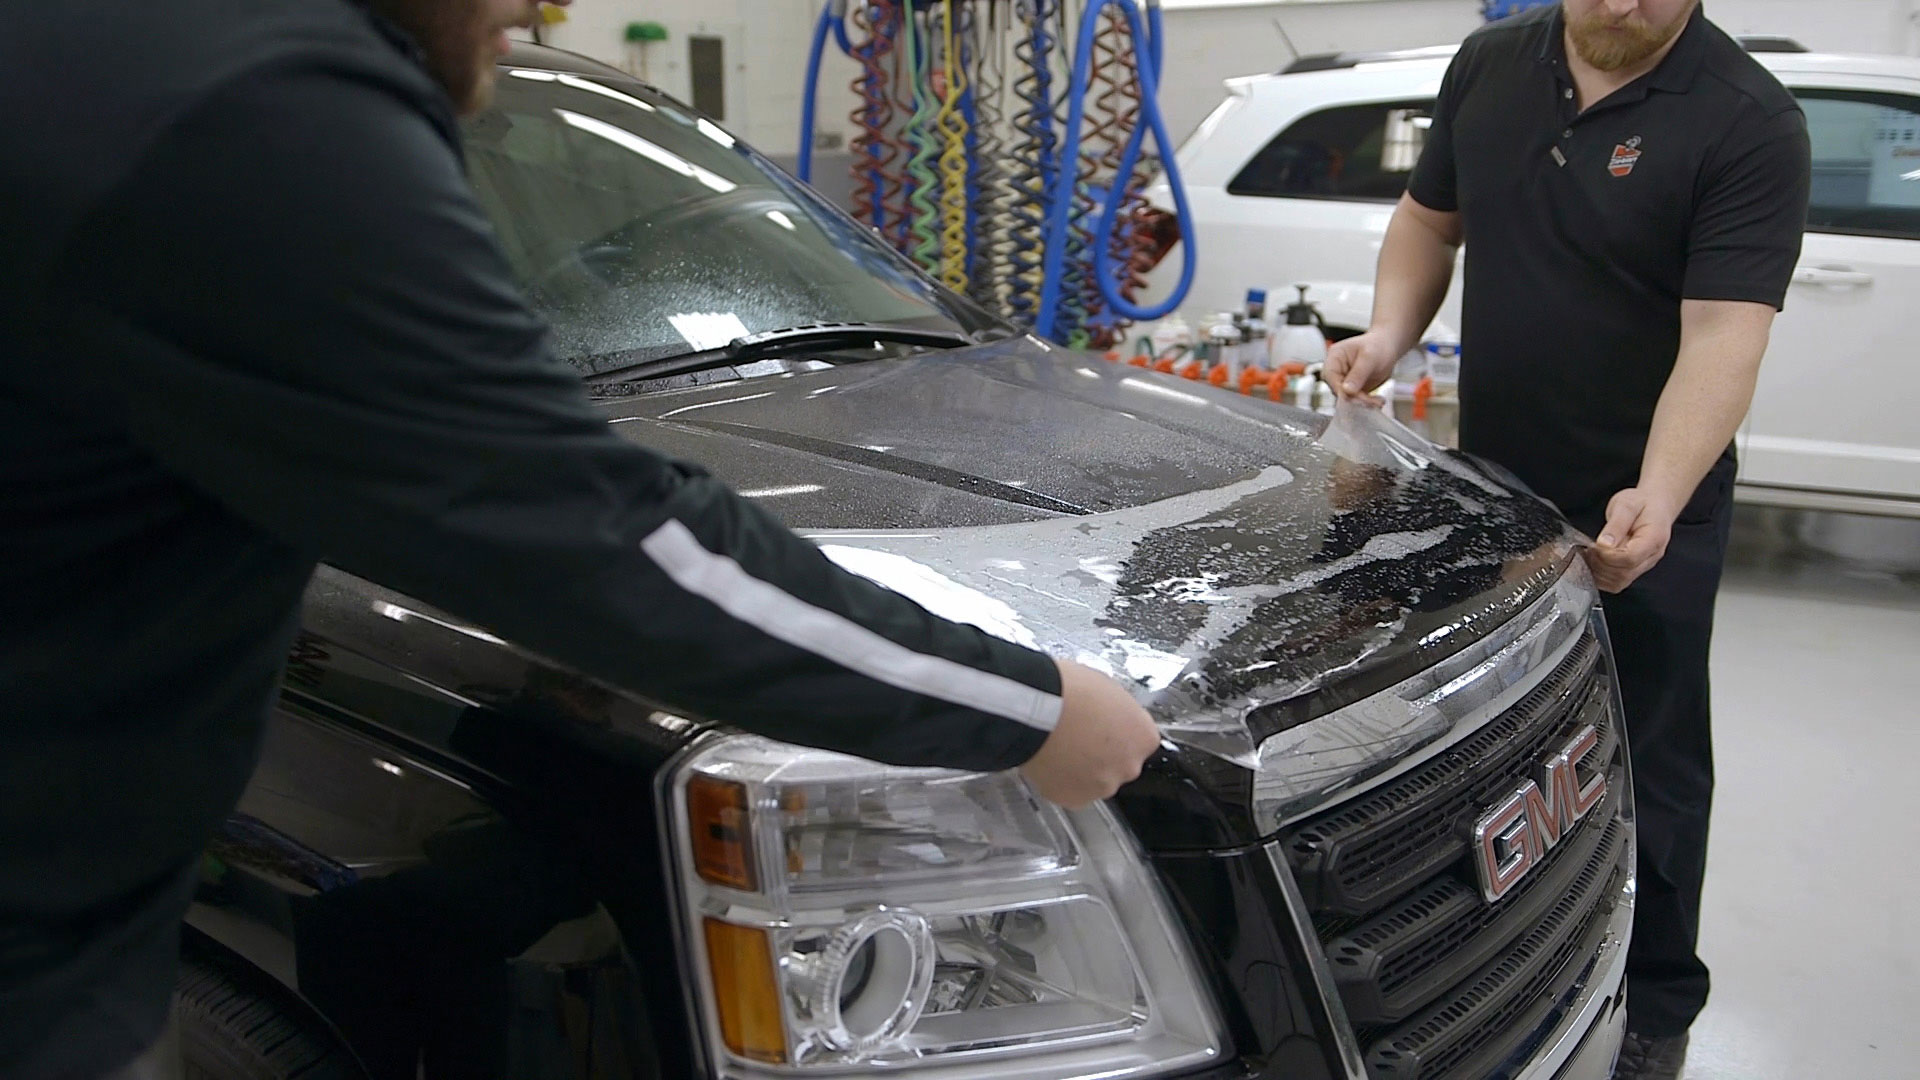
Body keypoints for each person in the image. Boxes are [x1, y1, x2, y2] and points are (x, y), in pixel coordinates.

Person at [0, 1, 1163, 1077]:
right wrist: (1026, 708)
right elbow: (584, 524)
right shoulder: (257, 98)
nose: (531, 3)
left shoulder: (124, 54)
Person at [1325, 2, 1809, 1076]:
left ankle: (1655, 1005)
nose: (1624, 6)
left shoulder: (1746, 119)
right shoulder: (1492, 63)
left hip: (1648, 498)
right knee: (1486, 739)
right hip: (1493, 486)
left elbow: (1726, 332)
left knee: (1651, 749)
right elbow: (1426, 217)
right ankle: (1499, 962)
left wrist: (1661, 491)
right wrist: (1390, 332)